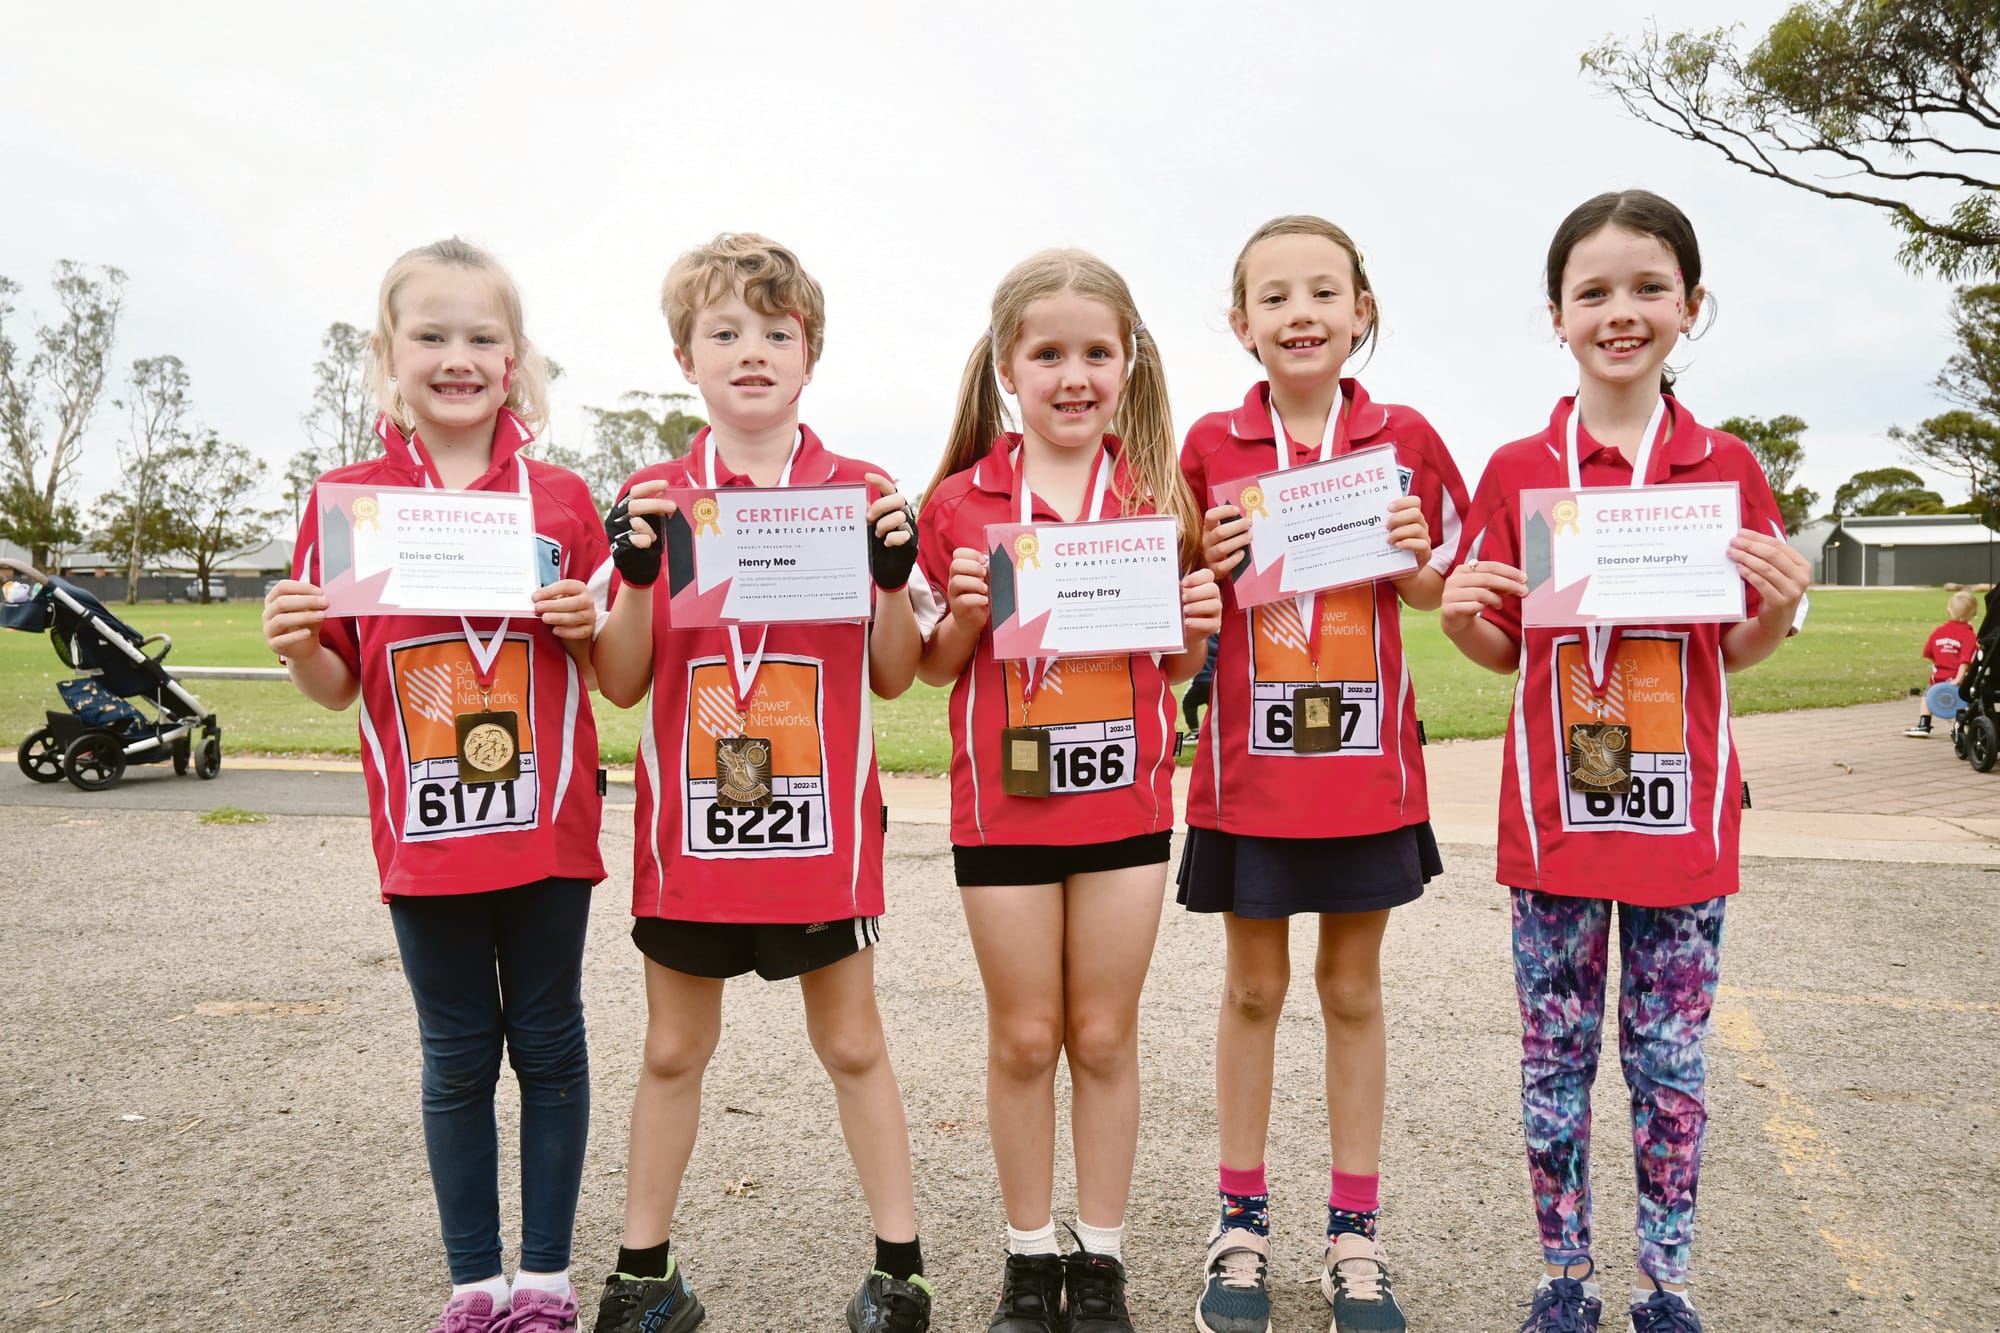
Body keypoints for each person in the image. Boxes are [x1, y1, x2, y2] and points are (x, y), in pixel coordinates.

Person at [1440, 190, 1812, 1333]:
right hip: (1555, 818)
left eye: (1648, 287)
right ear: (1554, 313)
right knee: (1553, 1064)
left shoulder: (1724, 465)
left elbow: (1730, 648)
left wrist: (1777, 606)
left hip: (1680, 821)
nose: (1620, 311)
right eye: (1591, 290)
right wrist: (1457, 617)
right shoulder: (1517, 469)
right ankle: (1564, 1275)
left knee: (1668, 1065)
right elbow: (1500, 645)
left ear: (1690, 306)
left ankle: (1664, 1281)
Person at [585, 234, 939, 1333]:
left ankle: (901, 1271)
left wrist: (892, 583)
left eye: (776, 332)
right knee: (672, 1048)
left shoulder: (860, 491)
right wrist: (633, 580)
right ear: (684, 358)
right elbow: (620, 678)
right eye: (724, 331)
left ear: (809, 354)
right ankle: (643, 1276)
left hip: (819, 833)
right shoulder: (653, 494)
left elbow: (895, 672)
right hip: (692, 835)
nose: (752, 351)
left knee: (852, 1042)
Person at [261, 238, 607, 1332]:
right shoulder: (346, 501)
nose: (457, 357)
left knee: (549, 1046)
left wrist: (590, 623)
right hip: (426, 831)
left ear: (514, 359)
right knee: (456, 1058)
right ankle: (473, 1283)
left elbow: (613, 666)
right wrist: (298, 644)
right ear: (387, 354)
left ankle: (544, 1280)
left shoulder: (561, 500)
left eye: (481, 337)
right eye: (431, 335)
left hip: (547, 825)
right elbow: (337, 685)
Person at [916, 249, 1223, 1333]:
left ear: (1128, 361)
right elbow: (929, 667)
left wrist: (1196, 632)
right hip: (1004, 809)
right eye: (1048, 353)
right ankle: (1026, 1260)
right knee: (1022, 1036)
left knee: (1099, 1033)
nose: (1074, 375)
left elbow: (1172, 670)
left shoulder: (1157, 498)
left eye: (1096, 352)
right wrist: (961, 615)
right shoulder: (957, 503)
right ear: (1007, 367)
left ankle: (1100, 1263)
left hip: (1122, 808)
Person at [1178, 215, 1470, 1333]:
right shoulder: (1210, 442)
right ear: (1240, 322)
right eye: (1274, 296)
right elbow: (1176, 586)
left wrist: (1418, 554)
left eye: (1322, 292)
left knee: (1351, 990)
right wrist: (1203, 561)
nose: (1299, 313)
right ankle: (1240, 1225)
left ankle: (1355, 1233)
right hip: (1249, 775)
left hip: (1363, 773)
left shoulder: (1406, 436)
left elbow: (1437, 587)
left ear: (1361, 311)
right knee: (1253, 990)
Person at [1907, 590, 1979, 736]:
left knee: (1927, 696)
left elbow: (1929, 652)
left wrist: (1940, 661)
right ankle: (1965, 725)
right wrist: (1958, 678)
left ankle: (1924, 724)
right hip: (1959, 678)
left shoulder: (1939, 632)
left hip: (1938, 677)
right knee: (1968, 700)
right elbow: (1966, 660)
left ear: (1948, 610)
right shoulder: (1968, 635)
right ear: (1974, 614)